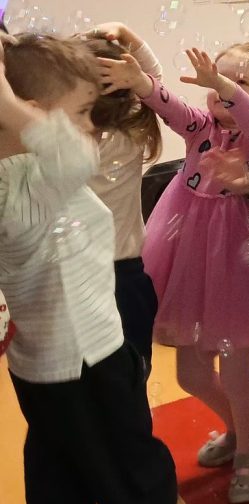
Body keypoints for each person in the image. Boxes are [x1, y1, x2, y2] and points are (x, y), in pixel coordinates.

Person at [98, 40, 249, 504]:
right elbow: (171, 106)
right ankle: (243, 429)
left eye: (239, 82)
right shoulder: (200, 128)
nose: (220, 89)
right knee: (190, 374)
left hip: (240, 265)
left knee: (237, 375)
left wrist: (221, 83)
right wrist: (140, 82)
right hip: (188, 259)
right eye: (216, 79)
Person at [0, 33, 176, 504]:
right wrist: (7, 101)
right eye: (80, 112)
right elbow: (76, 156)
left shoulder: (23, 175)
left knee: (61, 473)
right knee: (133, 477)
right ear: (32, 114)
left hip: (41, 367)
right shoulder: (34, 181)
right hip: (87, 362)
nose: (89, 126)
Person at [81, 23, 164, 376]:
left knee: (104, 377)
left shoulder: (70, 140)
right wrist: (129, 36)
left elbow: (153, 84)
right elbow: (154, 82)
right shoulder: (132, 129)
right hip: (120, 275)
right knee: (131, 375)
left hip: (98, 276)